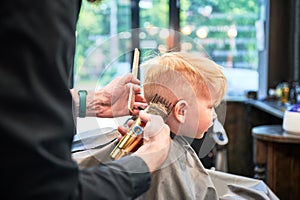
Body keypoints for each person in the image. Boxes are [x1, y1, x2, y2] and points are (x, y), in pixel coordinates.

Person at [0, 1, 171, 199]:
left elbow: (16, 98)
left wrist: (97, 101)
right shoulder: (39, 7)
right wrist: (147, 159)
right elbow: (48, 191)